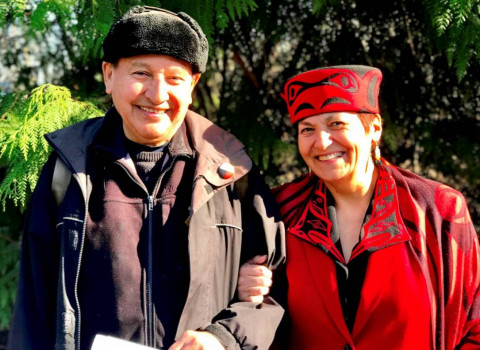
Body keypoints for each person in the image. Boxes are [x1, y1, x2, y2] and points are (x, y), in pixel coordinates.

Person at [7, 6, 285, 350]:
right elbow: (33, 307)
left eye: (175, 78)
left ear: (193, 85)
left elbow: (274, 295)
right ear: (109, 75)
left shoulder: (229, 171)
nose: (157, 94)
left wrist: (223, 337)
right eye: (141, 73)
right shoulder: (69, 169)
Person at [238, 65, 480, 349]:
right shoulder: (279, 211)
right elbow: (253, 308)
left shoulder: (436, 210)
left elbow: (474, 323)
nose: (321, 142)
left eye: (336, 124)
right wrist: (243, 286)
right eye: (307, 129)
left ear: (374, 129)